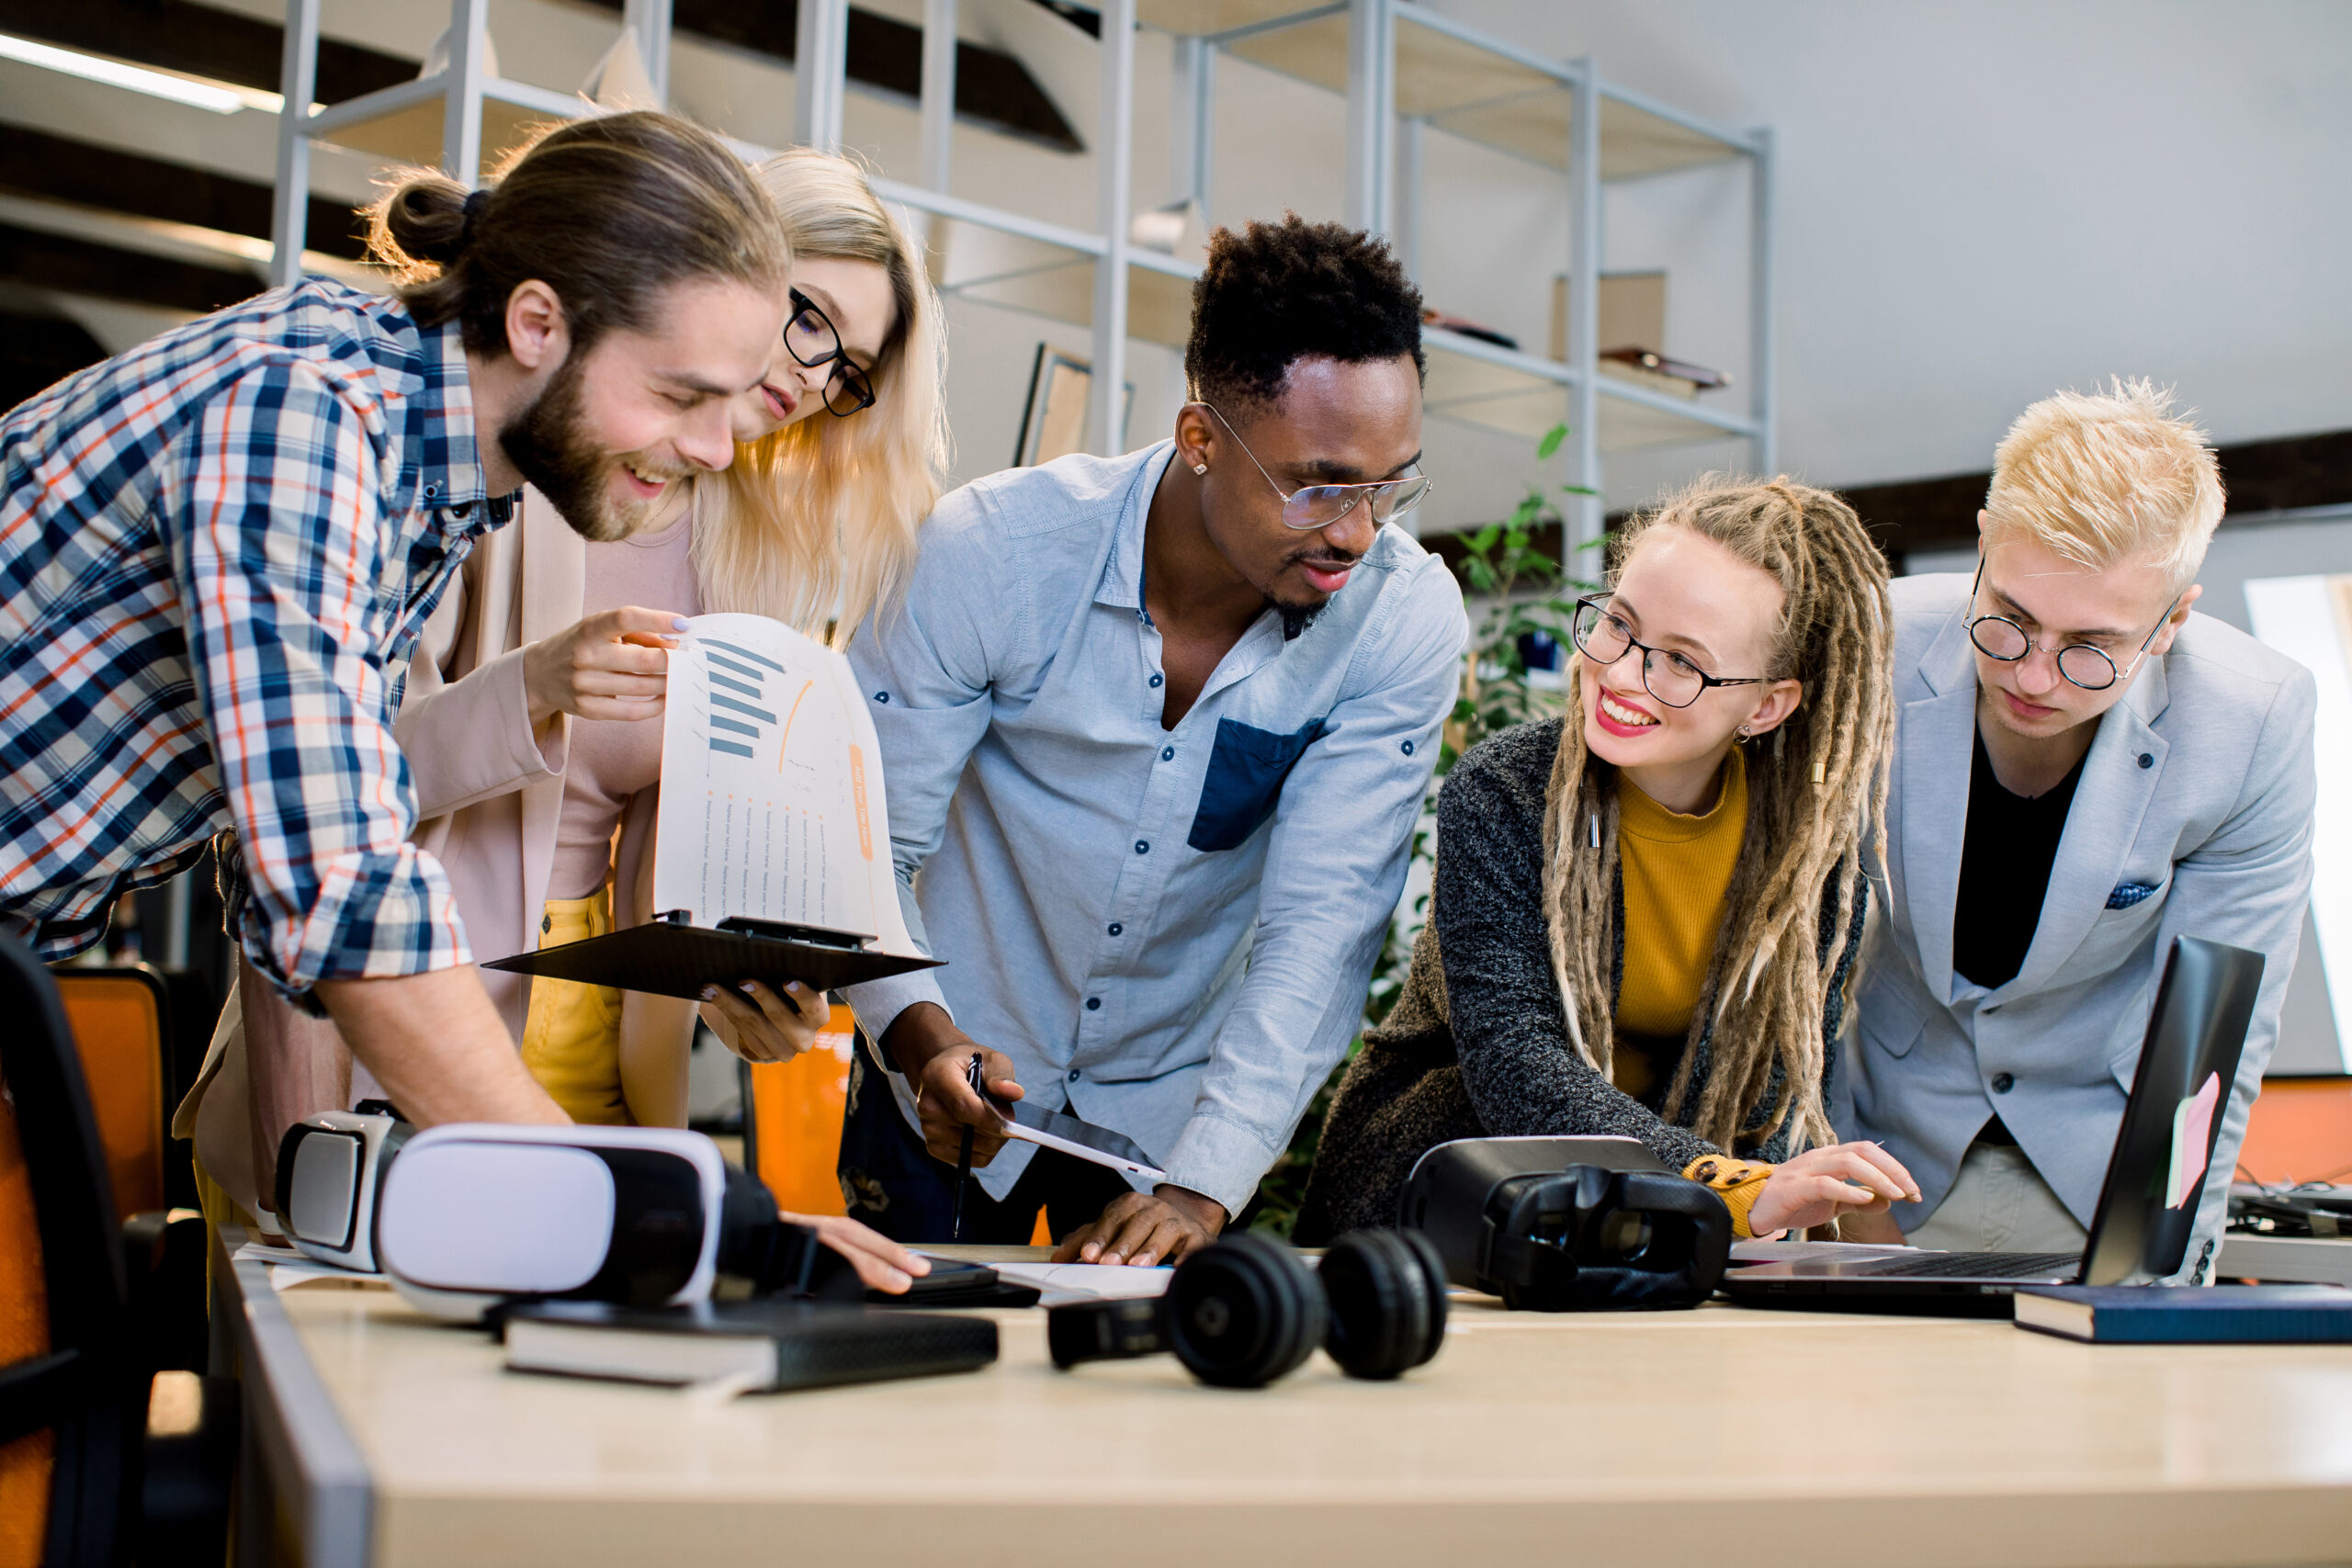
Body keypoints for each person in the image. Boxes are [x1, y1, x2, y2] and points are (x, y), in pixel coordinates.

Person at [182, 150, 945, 1292]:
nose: (809, 374)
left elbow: (658, 840)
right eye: (805, 319)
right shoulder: (491, 452)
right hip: (393, 1033)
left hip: (595, 1048)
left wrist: (738, 987)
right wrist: (531, 686)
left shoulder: (753, 549)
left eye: (848, 365)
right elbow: (304, 805)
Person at [0, 110, 787, 1131]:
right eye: (683, 394)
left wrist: (304, 1182)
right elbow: (338, 875)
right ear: (537, 325)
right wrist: (615, 1190)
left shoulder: (426, 470)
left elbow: (282, 831)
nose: (719, 450)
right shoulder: (302, 414)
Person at [834, 216, 1468, 1266]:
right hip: (946, 1062)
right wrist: (916, 1032)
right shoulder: (993, 553)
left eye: (1389, 483)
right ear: (1200, 438)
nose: (1356, 531)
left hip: (1170, 1118)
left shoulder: (1397, 618)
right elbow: (868, 843)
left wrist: (1204, 1185)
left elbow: (1319, 934)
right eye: (1317, 484)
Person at [1296, 479, 1919, 1244]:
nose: (1622, 674)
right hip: (1444, 1200)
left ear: (1766, 705)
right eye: (1619, 625)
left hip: (1652, 1232)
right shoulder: (1508, 790)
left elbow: (1770, 1106)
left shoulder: (1810, 867)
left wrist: (1771, 1198)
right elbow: (1516, 1069)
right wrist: (1728, 1188)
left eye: (1682, 663)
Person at [1836, 382, 2315, 1280]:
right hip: (1882, 1138)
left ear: (2172, 620)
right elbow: (1791, 954)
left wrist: (2164, 1267)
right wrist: (1831, 1198)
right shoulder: (1872, 645)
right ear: (1983, 545)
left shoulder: (2252, 718)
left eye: (2090, 645)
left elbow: (2210, 1031)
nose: (2036, 675)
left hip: (2093, 1163)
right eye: (2008, 620)